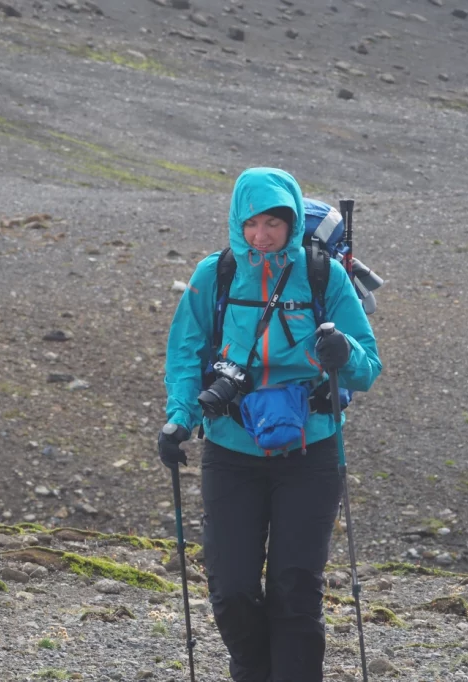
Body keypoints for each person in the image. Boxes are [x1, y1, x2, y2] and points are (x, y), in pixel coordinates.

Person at [158, 167, 382, 682]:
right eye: (253, 222)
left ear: (292, 221)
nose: (262, 235)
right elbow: (186, 356)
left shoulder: (325, 275)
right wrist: (178, 420)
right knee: (232, 589)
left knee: (296, 586)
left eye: (275, 223)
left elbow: (368, 367)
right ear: (238, 220)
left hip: (312, 451)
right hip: (231, 451)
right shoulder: (214, 274)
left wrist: (342, 352)